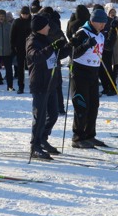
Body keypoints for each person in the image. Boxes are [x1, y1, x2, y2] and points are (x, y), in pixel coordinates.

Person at [27, 13, 71, 160]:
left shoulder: (45, 39)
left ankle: (43, 139)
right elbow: (36, 56)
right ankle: (35, 146)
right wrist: (51, 47)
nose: (48, 27)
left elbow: (57, 54)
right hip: (40, 83)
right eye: (46, 25)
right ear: (40, 28)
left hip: (51, 83)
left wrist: (72, 45)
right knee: (39, 117)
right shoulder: (32, 40)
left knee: (53, 114)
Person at [69, 8, 108, 149]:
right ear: (92, 21)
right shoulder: (82, 33)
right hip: (80, 73)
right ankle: (77, 137)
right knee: (82, 105)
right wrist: (86, 45)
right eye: (100, 22)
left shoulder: (100, 35)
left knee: (93, 106)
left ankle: (89, 135)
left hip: (93, 73)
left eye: (104, 23)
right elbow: (73, 53)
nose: (102, 25)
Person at [11, 5, 33, 94]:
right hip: (19, 48)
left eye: (26, 14)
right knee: (20, 69)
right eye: (23, 14)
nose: (25, 16)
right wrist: (13, 46)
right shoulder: (16, 22)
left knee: (32, 68)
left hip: (31, 48)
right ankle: (21, 86)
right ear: (21, 14)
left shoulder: (32, 22)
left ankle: (32, 86)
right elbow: (12, 35)